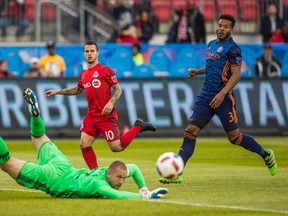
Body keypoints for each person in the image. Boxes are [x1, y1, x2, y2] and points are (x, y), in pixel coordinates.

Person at [159, 14, 278, 184]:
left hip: (224, 97)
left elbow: (236, 75)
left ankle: (266, 154)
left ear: (232, 30)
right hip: (206, 94)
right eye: (220, 25)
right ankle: (177, 172)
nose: (222, 29)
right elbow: (213, 67)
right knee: (191, 130)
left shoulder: (233, 49)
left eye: (226, 27)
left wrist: (222, 94)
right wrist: (198, 72)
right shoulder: (211, 45)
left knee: (234, 137)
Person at [0, 88, 168, 199]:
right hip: (52, 179)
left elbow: (135, 168)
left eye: (123, 178)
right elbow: (117, 196)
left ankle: (36, 115)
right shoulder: (98, 184)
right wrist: (145, 195)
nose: (122, 182)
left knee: (39, 136)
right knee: (5, 162)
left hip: (63, 165)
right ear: (109, 174)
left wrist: (144, 187)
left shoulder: (106, 172)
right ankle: (35, 115)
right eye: (119, 178)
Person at [44, 41, 156, 170]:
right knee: (84, 143)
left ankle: (138, 126)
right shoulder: (84, 74)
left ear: (97, 53)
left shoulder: (105, 70)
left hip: (105, 115)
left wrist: (110, 102)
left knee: (116, 147)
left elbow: (118, 90)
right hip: (92, 115)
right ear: (84, 54)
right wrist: (58, 91)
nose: (89, 54)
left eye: (92, 51)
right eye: (87, 51)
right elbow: (77, 90)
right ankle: (95, 173)